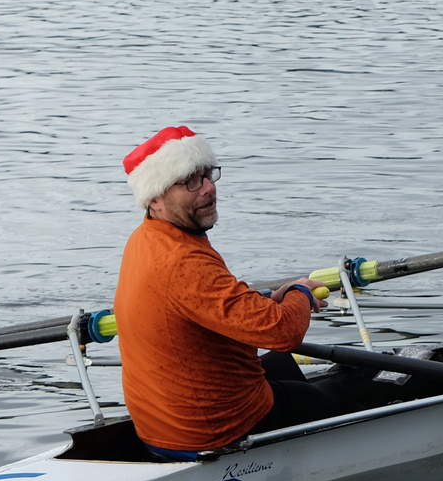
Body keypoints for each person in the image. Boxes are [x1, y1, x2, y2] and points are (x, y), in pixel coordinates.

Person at [111, 125, 363, 459]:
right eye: (191, 181)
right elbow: (283, 331)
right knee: (355, 389)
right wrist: (300, 292)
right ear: (155, 198)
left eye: (208, 175)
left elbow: (209, 305)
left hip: (163, 424)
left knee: (281, 365)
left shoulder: (146, 238)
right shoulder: (182, 261)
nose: (208, 189)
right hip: (215, 430)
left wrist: (272, 300)